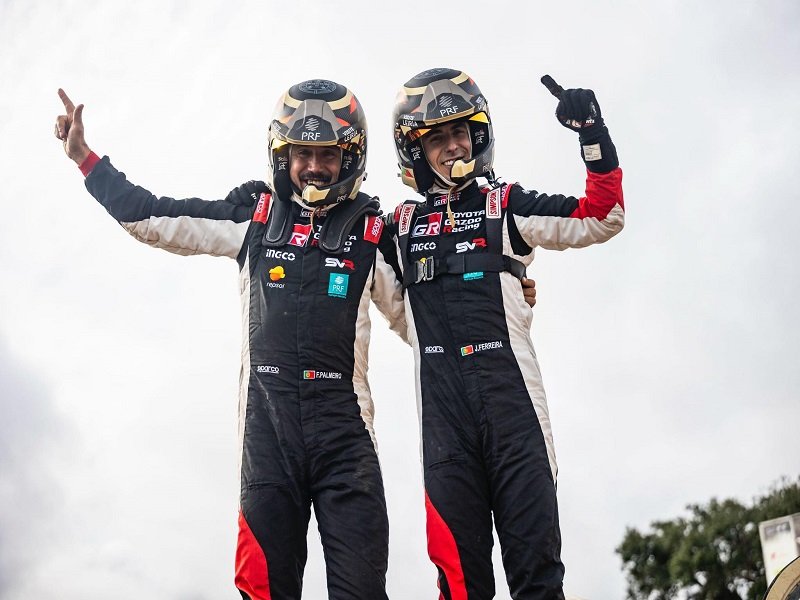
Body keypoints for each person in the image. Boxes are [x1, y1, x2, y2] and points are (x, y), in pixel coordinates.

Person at [54, 81, 408, 600]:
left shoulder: (372, 233)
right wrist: (86, 160)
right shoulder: (254, 216)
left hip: (346, 441)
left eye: (328, 155)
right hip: (268, 435)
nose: (314, 167)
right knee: (261, 588)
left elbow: (425, 321)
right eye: (302, 154)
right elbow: (153, 217)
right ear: (282, 156)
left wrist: (511, 288)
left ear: (350, 158)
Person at [386, 68, 625, 600]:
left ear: (479, 135)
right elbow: (334, 261)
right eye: (437, 138)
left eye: (460, 132)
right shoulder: (396, 228)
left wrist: (592, 134)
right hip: (445, 429)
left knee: (538, 578)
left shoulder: (507, 204)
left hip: (515, 417)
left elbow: (603, 217)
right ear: (414, 151)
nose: (453, 146)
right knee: (459, 586)